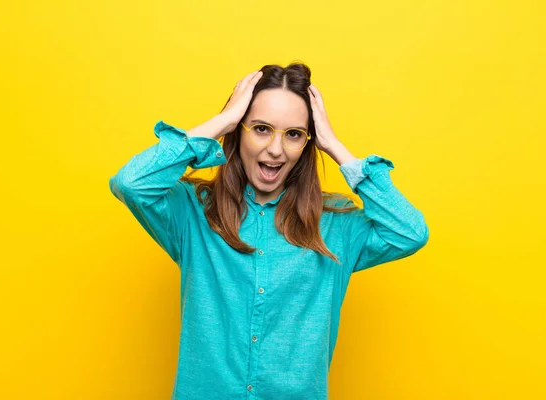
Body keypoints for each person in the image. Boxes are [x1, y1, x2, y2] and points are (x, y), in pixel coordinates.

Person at [109, 62, 429, 400]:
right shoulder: (194, 213)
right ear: (239, 130)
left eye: (293, 134)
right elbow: (131, 183)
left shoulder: (337, 225)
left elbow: (409, 232)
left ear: (308, 143)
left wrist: (335, 147)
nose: (275, 150)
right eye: (261, 129)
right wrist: (223, 122)